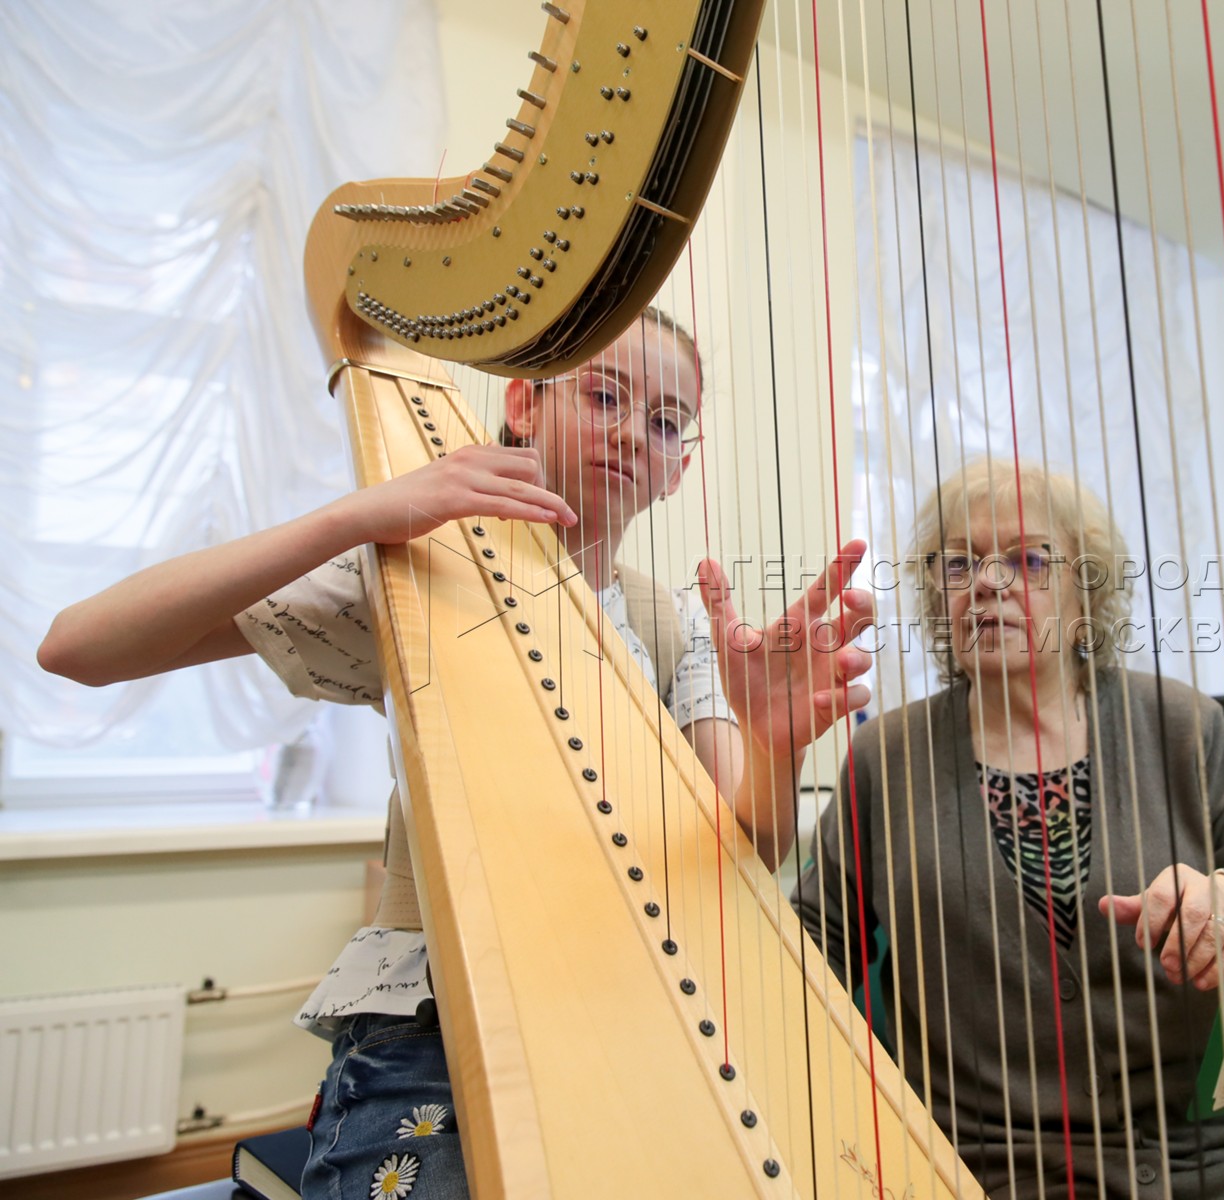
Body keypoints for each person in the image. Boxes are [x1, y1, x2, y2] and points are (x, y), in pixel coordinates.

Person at [37, 308, 875, 1200]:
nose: (635, 432)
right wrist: (362, 514)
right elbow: (79, 646)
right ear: (523, 404)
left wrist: (772, 747)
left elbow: (748, 845)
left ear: (679, 468)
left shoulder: (681, 627)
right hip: (432, 1021)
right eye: (604, 395)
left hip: (634, 1014)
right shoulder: (422, 576)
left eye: (666, 421)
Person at [790, 459, 1224, 1199]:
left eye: (1028, 558)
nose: (987, 581)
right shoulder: (885, 760)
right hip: (999, 1172)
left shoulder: (1180, 726)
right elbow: (799, 952)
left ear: (1087, 596)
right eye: (959, 563)